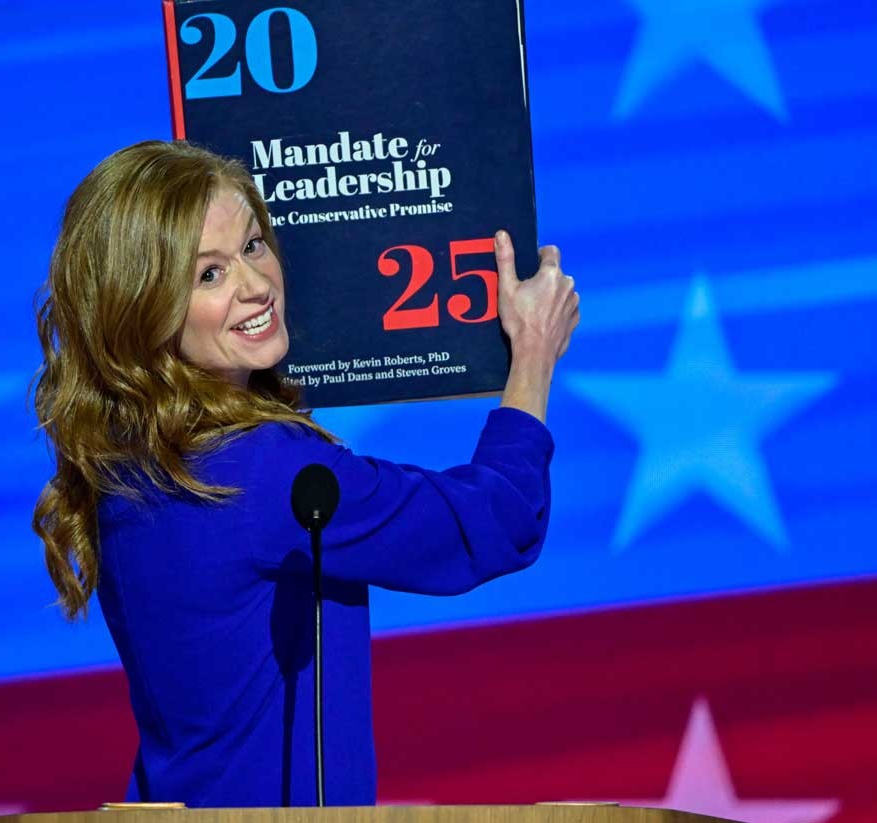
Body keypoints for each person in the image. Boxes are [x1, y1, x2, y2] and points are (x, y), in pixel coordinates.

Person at [32, 140, 579, 807]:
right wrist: (533, 356)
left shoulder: (126, 464)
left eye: (254, 245)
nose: (255, 284)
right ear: (144, 306)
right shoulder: (263, 470)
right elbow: (497, 521)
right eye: (208, 274)